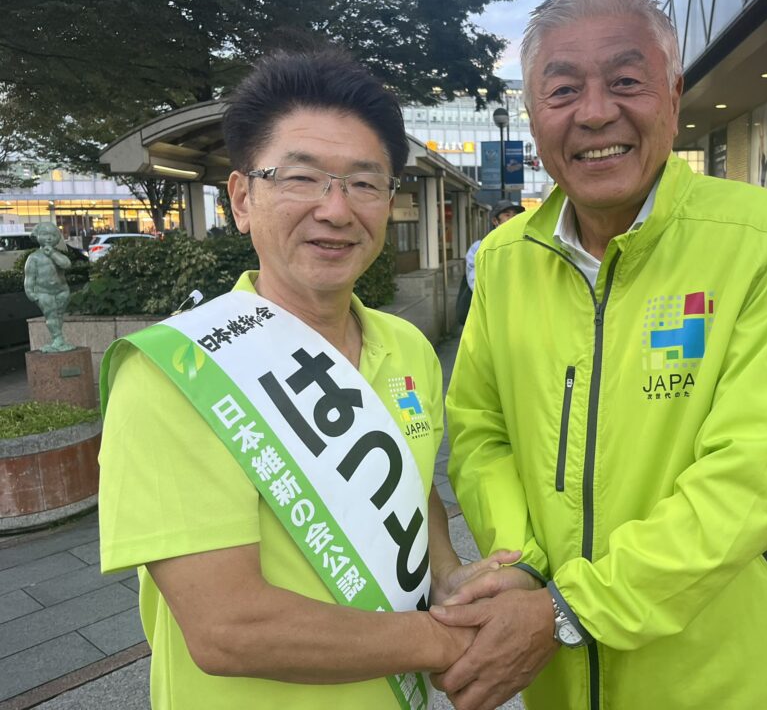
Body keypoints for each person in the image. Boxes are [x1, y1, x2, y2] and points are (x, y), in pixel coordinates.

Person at [433, 0, 767, 710]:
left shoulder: (765, 238)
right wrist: (522, 566)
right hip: (556, 677)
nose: (594, 113)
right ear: (533, 115)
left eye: (625, 81)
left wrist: (568, 611)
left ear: (674, 96)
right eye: (562, 91)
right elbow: (482, 434)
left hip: (731, 676)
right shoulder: (501, 260)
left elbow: (756, 475)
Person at [98, 48, 514, 709]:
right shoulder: (176, 373)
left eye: (364, 183)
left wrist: (450, 579)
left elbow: (410, 490)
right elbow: (228, 628)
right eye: (301, 178)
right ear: (242, 197)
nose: (335, 209)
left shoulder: (405, 345)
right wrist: (443, 641)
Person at [24, 221, 74, 353]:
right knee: (51, 315)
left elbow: (66, 264)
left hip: (62, 290)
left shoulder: (57, 255)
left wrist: (52, 254)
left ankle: (57, 340)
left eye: (53, 235)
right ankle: (58, 339)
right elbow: (29, 277)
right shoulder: (33, 258)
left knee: (59, 315)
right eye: (45, 234)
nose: (49, 238)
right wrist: (30, 292)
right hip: (43, 292)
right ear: (37, 236)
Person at [465, 201, 526, 291]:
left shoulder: (523, 244)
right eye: (507, 215)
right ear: (495, 221)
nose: (513, 218)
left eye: (514, 215)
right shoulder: (479, 247)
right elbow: (474, 282)